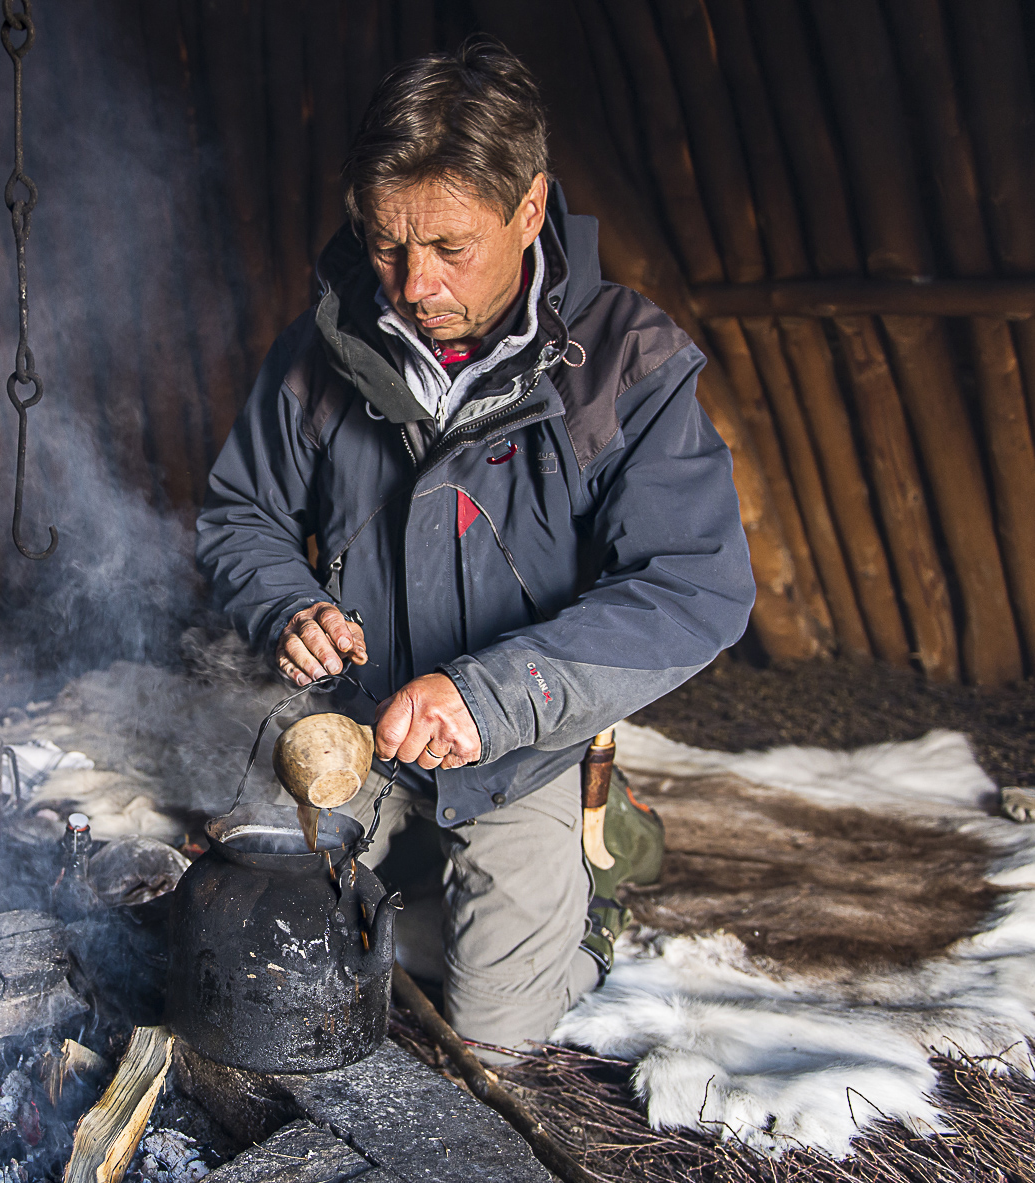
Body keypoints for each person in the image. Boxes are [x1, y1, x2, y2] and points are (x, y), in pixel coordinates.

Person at [195, 42, 755, 1059]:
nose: (412, 285)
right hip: (354, 727)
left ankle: (582, 920)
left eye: (450, 246)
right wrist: (287, 607)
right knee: (252, 938)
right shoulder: (317, 352)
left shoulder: (626, 361)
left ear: (529, 208)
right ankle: (410, 901)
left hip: (520, 754)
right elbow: (240, 517)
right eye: (383, 245)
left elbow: (692, 588)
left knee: (484, 1043)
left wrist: (489, 697)